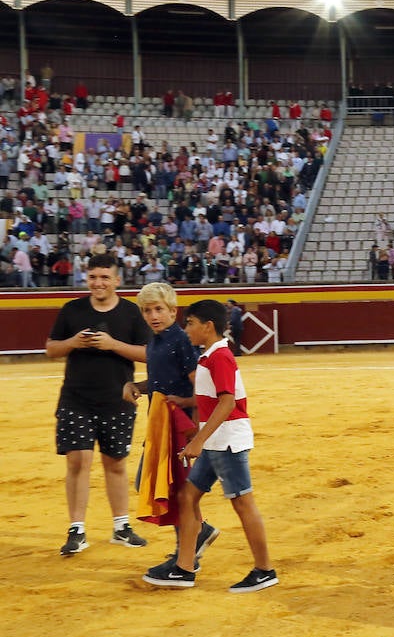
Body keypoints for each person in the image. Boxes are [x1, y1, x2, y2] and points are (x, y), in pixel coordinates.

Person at [143, 300, 276, 591]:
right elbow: (215, 399)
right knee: (187, 498)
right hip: (215, 441)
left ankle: (265, 569)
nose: (186, 328)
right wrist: (188, 407)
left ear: (208, 326)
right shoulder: (209, 356)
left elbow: (228, 402)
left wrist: (199, 439)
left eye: (190, 323)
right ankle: (184, 567)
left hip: (227, 442)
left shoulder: (219, 357)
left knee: (242, 503)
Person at [45, 251, 151, 556]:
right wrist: (73, 343)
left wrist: (112, 344)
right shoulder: (71, 310)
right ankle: (76, 529)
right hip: (76, 398)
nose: (98, 283)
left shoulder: (131, 313)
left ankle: (121, 526)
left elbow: (146, 353)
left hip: (117, 400)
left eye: (105, 277)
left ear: (117, 280)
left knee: (115, 463)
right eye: (93, 277)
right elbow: (51, 348)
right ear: (85, 278)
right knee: (78, 460)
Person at [123, 282, 219, 559]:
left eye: (159, 309)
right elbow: (159, 382)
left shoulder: (181, 340)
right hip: (160, 424)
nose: (153, 315)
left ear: (173, 310)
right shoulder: (156, 341)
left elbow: (197, 384)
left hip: (179, 424)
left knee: (171, 485)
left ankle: (190, 545)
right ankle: (196, 535)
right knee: (157, 483)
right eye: (147, 310)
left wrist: (196, 429)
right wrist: (136, 386)